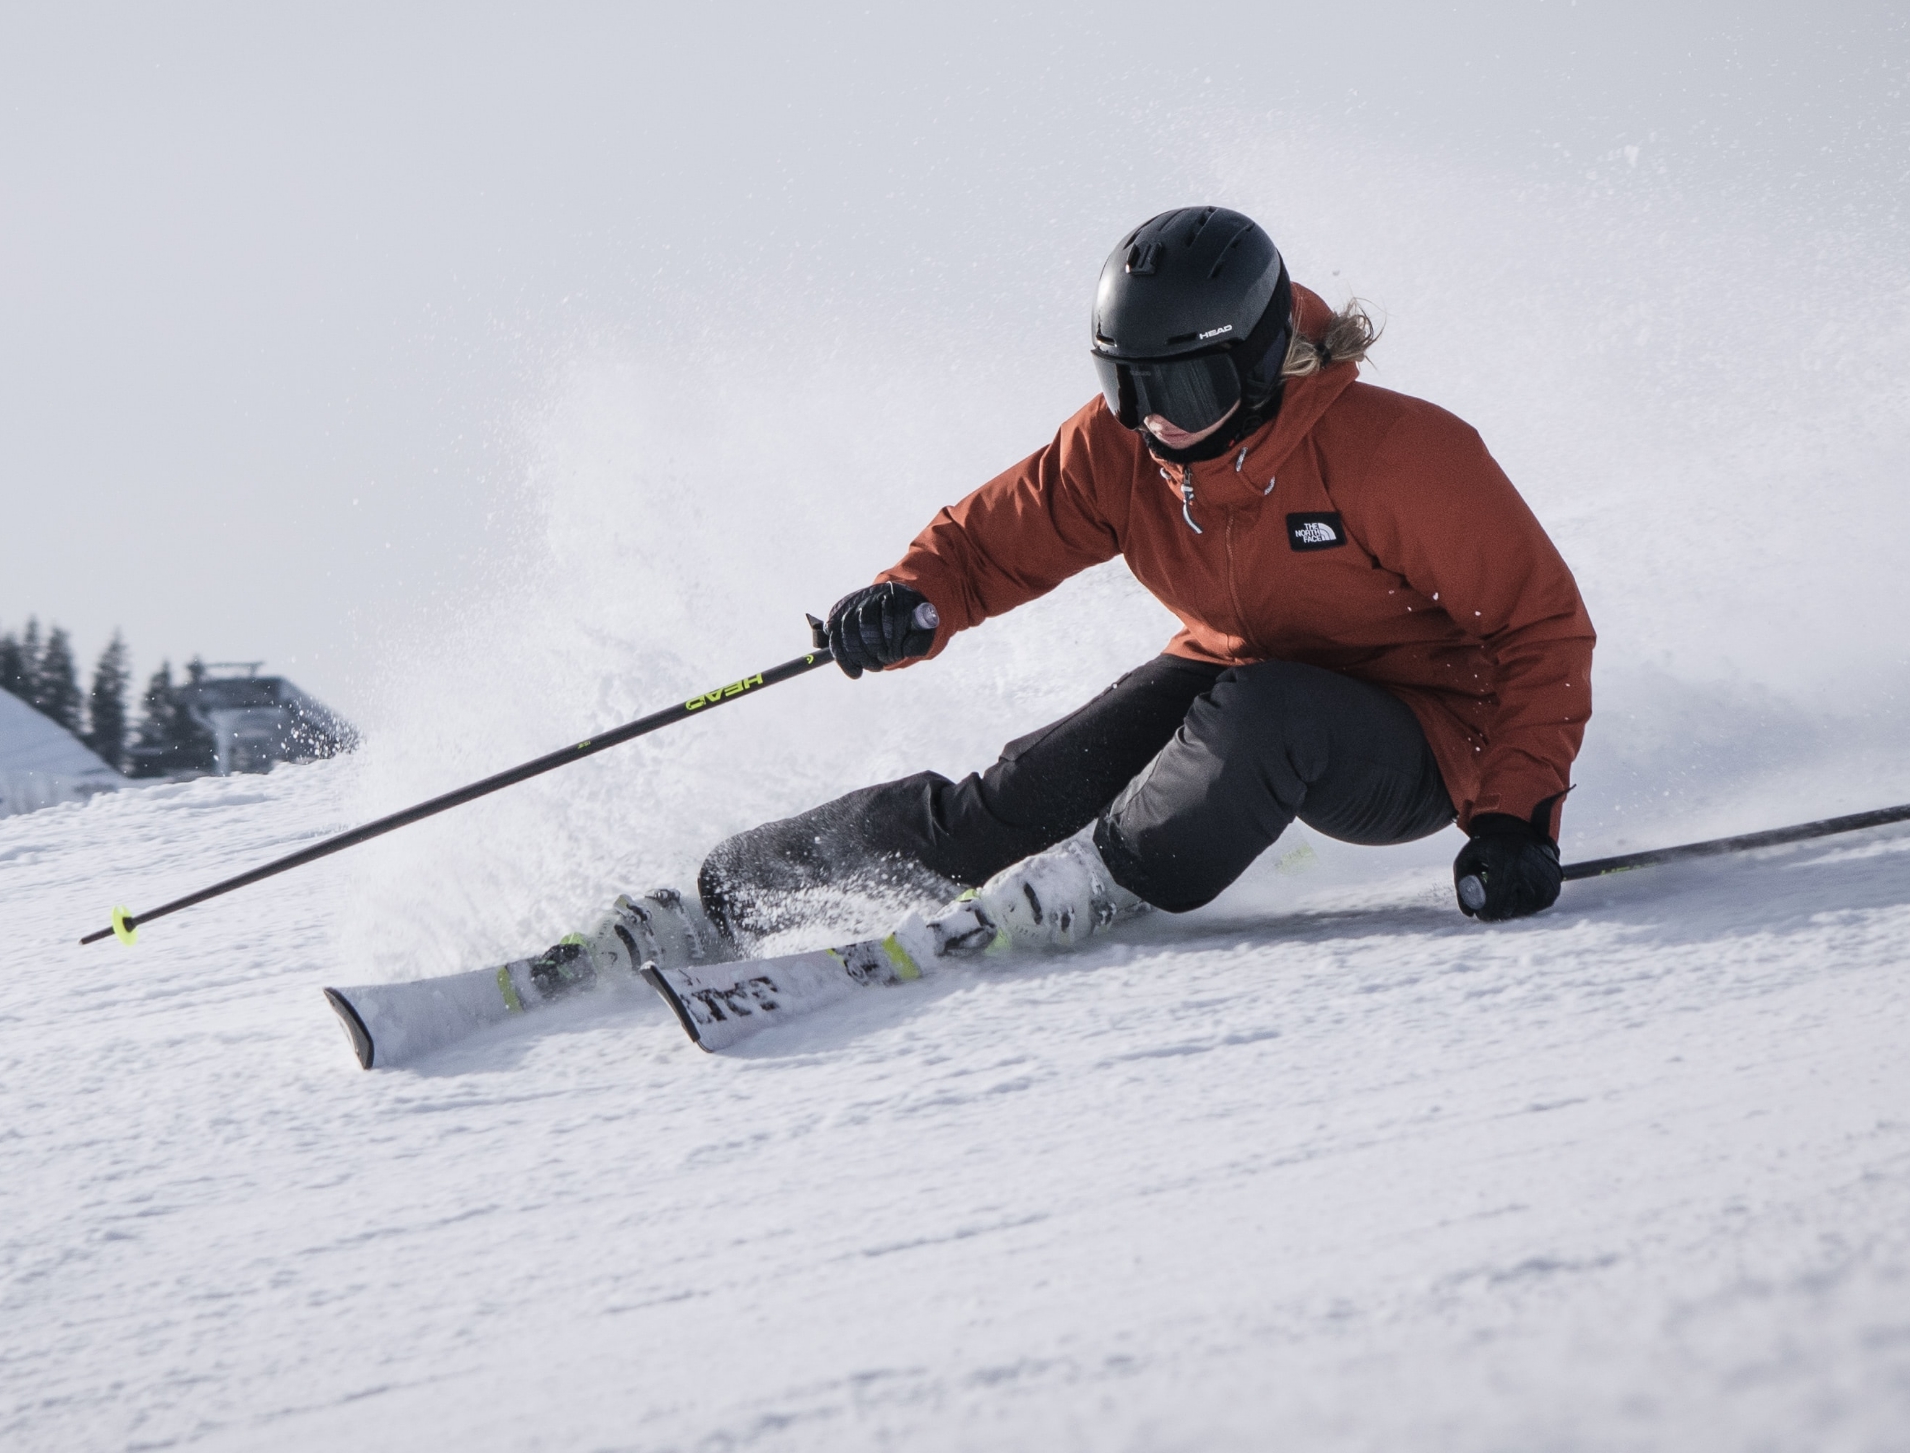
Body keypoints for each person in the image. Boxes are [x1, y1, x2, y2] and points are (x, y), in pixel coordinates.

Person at [636, 206, 1593, 964]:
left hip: (1419, 733)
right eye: (1126, 387)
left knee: (1267, 710)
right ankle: (731, 894)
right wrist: (912, 599)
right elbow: (988, 545)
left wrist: (1517, 822)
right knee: (1011, 801)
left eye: (1183, 392)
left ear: (1257, 365)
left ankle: (1093, 880)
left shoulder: (1399, 455)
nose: (1155, 423)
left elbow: (1540, 632)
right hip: (1231, 674)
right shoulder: (1125, 449)